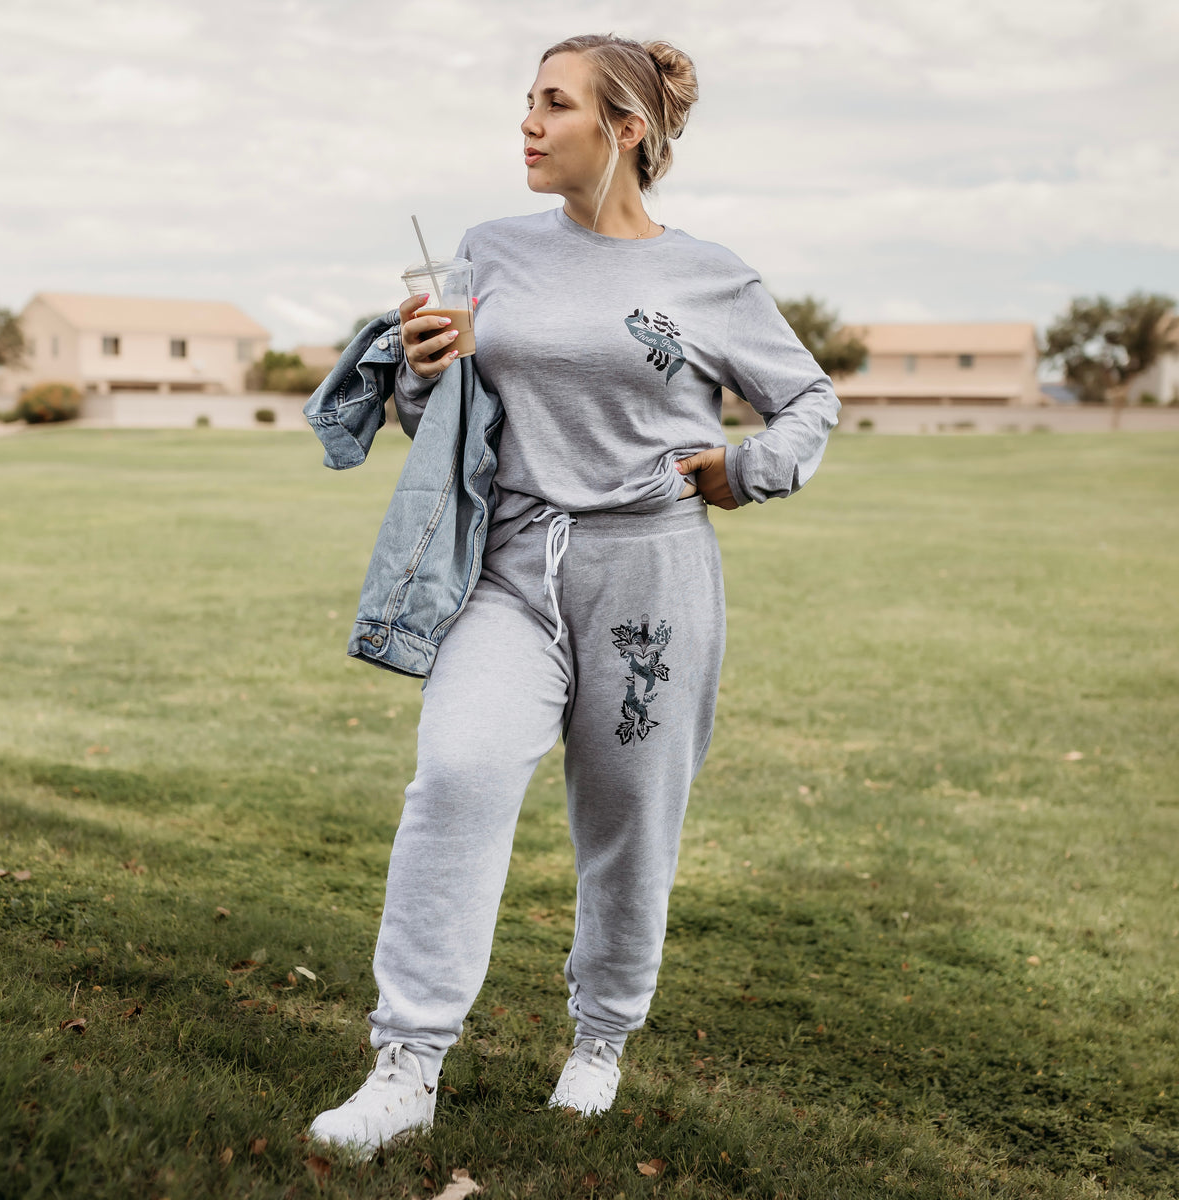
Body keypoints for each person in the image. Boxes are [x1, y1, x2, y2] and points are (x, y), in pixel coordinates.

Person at [310, 32, 840, 1156]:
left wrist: (748, 471)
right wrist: (421, 365)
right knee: (455, 775)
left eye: (555, 105)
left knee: (629, 824)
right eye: (527, 102)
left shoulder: (710, 277)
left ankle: (599, 1037)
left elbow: (807, 401)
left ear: (625, 131)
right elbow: (431, 415)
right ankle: (407, 1064)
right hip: (510, 565)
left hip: (650, 578)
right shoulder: (488, 250)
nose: (529, 123)